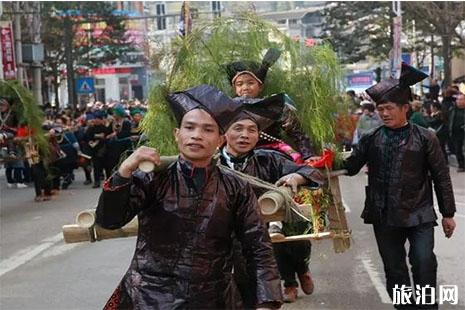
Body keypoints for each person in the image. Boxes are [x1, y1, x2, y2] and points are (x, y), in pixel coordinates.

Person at [96, 84, 282, 309]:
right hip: (148, 297)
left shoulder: (236, 188)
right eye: (190, 127)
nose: (196, 136)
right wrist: (124, 171)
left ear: (220, 139)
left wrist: (266, 302)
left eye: (207, 129)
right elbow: (109, 220)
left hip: (214, 298)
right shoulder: (153, 179)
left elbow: (258, 248)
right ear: (177, 134)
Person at [344, 63, 456, 309]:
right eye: (380, 109)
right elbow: (350, 166)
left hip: (419, 212)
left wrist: (448, 213)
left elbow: (441, 176)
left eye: (389, 108)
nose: (383, 113)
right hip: (383, 214)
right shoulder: (372, 138)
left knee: (424, 262)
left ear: (405, 108)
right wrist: (326, 157)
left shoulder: (426, 137)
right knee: (394, 270)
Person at [220, 94, 325, 305]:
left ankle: (298, 275)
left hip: (260, 242)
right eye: (238, 129)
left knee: (260, 296)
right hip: (221, 246)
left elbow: (314, 174)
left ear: (259, 135)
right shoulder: (210, 164)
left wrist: (297, 175)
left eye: (251, 130)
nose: (245, 135)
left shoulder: (270, 159)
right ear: (224, 133)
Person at [225, 48, 315, 163]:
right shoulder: (227, 107)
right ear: (235, 88)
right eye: (240, 84)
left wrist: (308, 155)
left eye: (250, 83)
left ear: (260, 86)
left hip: (272, 151)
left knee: (295, 163)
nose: (245, 87)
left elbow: (297, 132)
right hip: (235, 152)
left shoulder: (274, 105)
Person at [448, 93, 465, 172]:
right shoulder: (453, 109)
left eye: (461, 99)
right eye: (457, 99)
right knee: (458, 150)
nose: (458, 101)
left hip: (463, 133)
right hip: (456, 133)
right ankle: (461, 165)